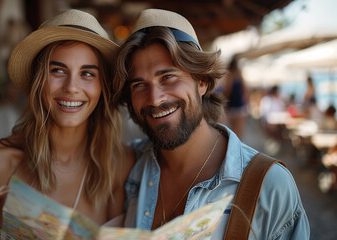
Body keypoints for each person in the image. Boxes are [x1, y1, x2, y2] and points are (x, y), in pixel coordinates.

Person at [113, 9, 310, 239]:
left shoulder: (270, 185)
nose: (155, 98)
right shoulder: (127, 167)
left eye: (168, 77)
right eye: (139, 85)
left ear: (202, 81)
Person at [0, 9, 134, 239]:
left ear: (102, 86)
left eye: (87, 73)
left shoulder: (118, 166)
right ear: (38, 80)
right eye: (57, 70)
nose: (71, 87)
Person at [221, 56, 249, 139]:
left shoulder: (229, 74)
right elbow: (245, 90)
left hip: (231, 105)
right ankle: (238, 149)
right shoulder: (239, 74)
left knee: (233, 131)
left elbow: (227, 91)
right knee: (238, 132)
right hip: (239, 105)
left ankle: (234, 148)